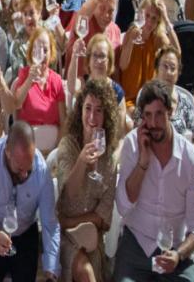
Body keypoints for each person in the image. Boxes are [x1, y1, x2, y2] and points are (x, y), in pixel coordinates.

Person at [113, 79, 194, 282]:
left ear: (170, 112)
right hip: (137, 243)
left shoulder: (190, 158)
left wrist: (179, 254)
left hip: (174, 248)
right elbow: (123, 206)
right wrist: (143, 163)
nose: (153, 123)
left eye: (159, 114)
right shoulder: (132, 145)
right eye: (148, 115)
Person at [0, 121, 60, 282]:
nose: (25, 175)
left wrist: (51, 271)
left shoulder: (41, 169)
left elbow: (50, 224)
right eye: (19, 169)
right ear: (8, 152)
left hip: (25, 233)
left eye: (28, 168)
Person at [54, 78, 118, 282]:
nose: (92, 116)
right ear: (80, 111)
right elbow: (69, 195)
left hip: (91, 237)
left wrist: (69, 221)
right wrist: (81, 161)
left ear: (106, 116)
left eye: (99, 110)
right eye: (88, 108)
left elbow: (103, 217)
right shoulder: (68, 146)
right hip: (66, 236)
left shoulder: (109, 159)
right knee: (86, 274)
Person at [118, 0, 181, 109]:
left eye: (154, 18)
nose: (149, 22)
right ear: (140, 15)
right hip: (130, 98)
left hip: (150, 98)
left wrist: (167, 20)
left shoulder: (158, 38)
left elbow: (177, 53)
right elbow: (123, 65)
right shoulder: (132, 32)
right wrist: (131, 41)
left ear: (158, 22)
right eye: (147, 16)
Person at [136, 46, 194, 145]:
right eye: (165, 66)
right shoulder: (146, 97)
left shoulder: (186, 101)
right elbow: (137, 133)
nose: (168, 72)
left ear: (178, 73)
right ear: (157, 69)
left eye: (173, 68)